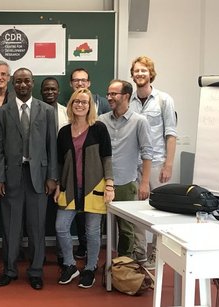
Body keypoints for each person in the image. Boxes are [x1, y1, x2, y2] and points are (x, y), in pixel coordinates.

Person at [0, 67, 58, 290]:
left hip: (38, 177)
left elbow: (52, 146)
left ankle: (35, 271)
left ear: (33, 83)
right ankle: (10, 270)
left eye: (26, 81)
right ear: (13, 83)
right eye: (18, 81)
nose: (22, 85)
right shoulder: (2, 112)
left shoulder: (47, 111)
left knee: (37, 227)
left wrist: (52, 177)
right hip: (12, 176)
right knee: (11, 227)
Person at [54, 88, 114, 289]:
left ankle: (90, 268)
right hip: (69, 187)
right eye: (76, 101)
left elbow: (107, 157)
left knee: (92, 231)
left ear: (90, 107)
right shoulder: (63, 132)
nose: (80, 105)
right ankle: (70, 266)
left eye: (84, 102)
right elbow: (61, 163)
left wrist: (110, 184)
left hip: (95, 186)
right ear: (71, 105)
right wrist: (57, 185)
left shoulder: (99, 128)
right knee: (61, 227)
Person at [129, 56, 177, 268]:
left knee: (161, 213)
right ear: (132, 75)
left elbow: (171, 134)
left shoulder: (164, 100)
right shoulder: (128, 100)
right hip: (134, 165)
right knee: (136, 212)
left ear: (150, 74)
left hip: (157, 164)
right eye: (136, 71)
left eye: (143, 71)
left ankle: (158, 255)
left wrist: (168, 164)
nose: (140, 74)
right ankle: (139, 254)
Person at [98, 80, 152, 257]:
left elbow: (147, 153)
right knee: (95, 225)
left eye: (114, 94)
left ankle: (124, 264)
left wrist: (144, 183)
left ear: (126, 96)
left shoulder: (139, 122)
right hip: (101, 182)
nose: (109, 98)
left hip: (126, 182)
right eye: (109, 94)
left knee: (126, 228)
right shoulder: (101, 121)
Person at [68, 67, 111, 260]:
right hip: (73, 183)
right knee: (73, 221)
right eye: (76, 80)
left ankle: (92, 264)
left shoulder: (100, 123)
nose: (80, 83)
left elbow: (106, 154)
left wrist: (109, 182)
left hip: (95, 180)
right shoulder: (66, 125)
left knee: (93, 227)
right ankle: (82, 248)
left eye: (83, 80)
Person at [40, 77, 68, 266]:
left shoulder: (68, 112)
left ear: (58, 91)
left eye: (53, 89)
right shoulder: (36, 111)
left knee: (62, 215)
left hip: (64, 170)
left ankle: (62, 254)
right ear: (41, 92)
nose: (50, 92)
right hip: (40, 172)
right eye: (46, 89)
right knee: (39, 217)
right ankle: (39, 254)